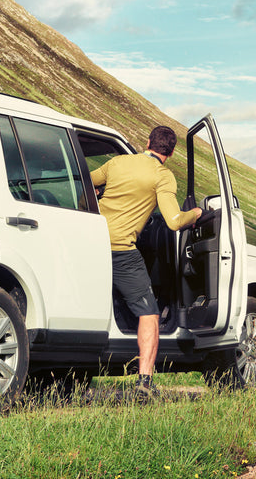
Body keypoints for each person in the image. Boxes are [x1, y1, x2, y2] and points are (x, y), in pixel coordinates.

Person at [90, 125, 202, 399]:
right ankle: (144, 382)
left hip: (90, 244)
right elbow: (174, 221)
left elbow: (83, 180)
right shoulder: (162, 176)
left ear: (147, 141)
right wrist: (197, 213)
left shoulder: (117, 162)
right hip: (121, 252)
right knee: (149, 314)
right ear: (172, 152)